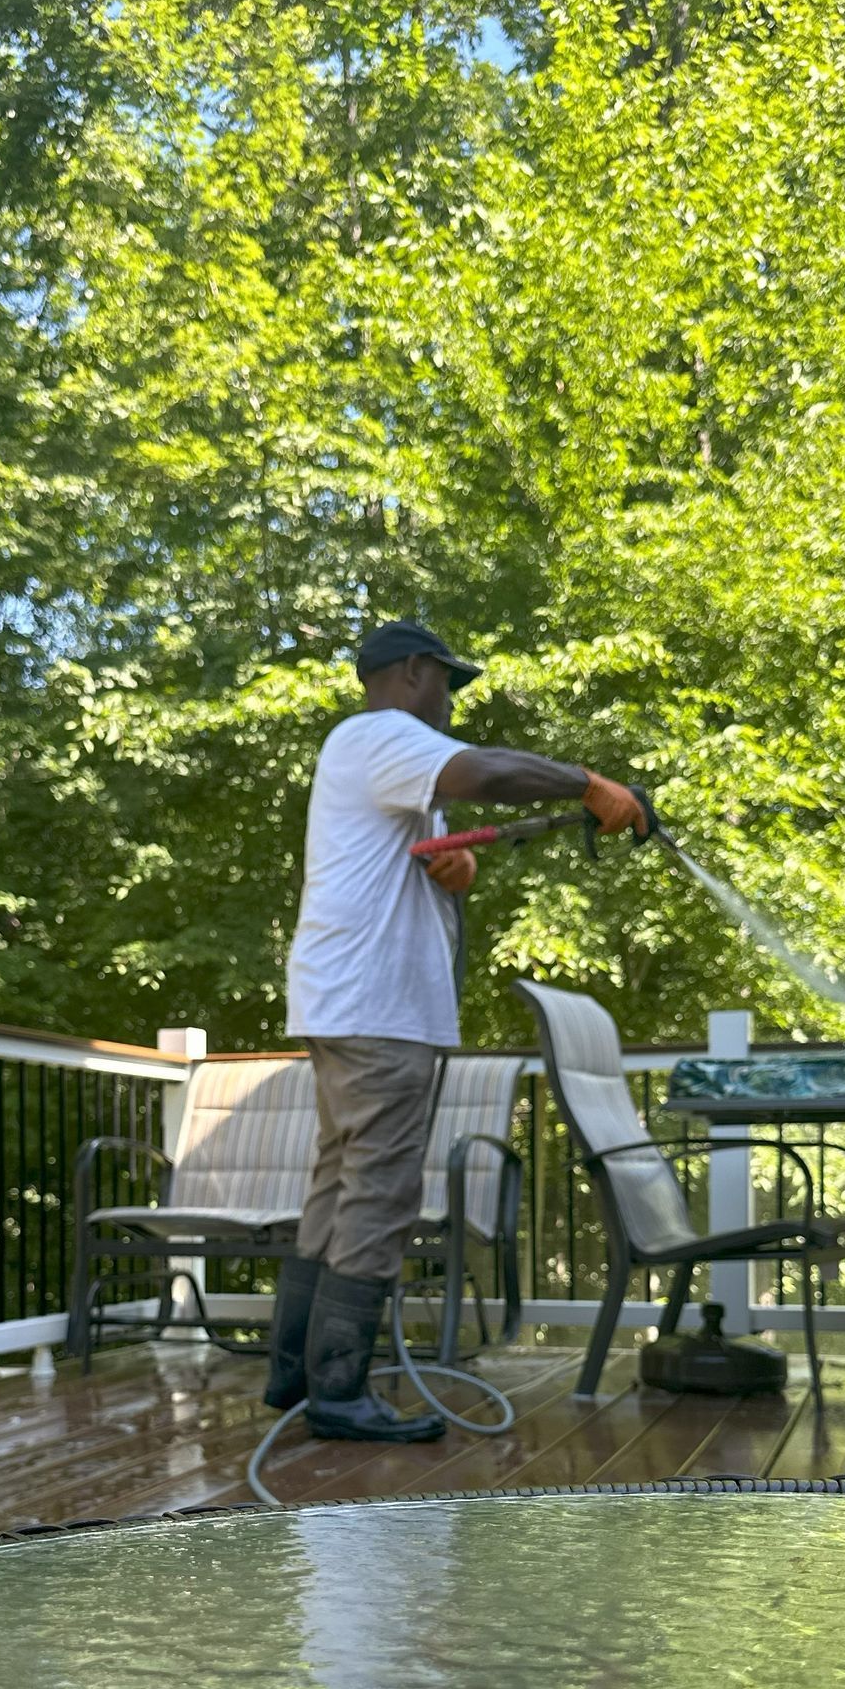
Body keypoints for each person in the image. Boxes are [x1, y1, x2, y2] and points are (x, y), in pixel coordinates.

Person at [270, 618, 649, 1442]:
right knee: (379, 1190)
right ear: (412, 673)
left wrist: (453, 871)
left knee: (338, 1183)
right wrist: (586, 783)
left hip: (347, 1004)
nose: (451, 702)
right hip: (378, 1011)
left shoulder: (369, 753)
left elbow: (407, 858)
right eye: (448, 683)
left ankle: (293, 1374)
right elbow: (486, 772)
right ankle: (338, 1395)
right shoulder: (384, 734)